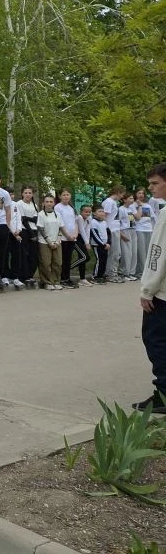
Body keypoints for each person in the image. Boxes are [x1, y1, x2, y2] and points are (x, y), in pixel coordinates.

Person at [134, 163, 166, 414]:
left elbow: (158, 254)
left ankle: (164, 395)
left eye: (155, 183)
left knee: (156, 340)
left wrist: (147, 290)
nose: (151, 188)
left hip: (162, 294)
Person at [36, 195, 64, 291]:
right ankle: (47, 282)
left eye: (51, 202)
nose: (49, 204)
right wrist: (49, 242)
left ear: (54, 203)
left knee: (58, 262)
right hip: (44, 242)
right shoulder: (41, 214)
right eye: (47, 202)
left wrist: (57, 241)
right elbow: (41, 229)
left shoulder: (58, 214)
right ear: (43, 203)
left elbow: (60, 228)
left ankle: (56, 281)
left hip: (57, 242)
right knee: (45, 263)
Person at [54, 189, 80, 289]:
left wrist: (75, 234)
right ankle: (63, 279)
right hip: (63, 238)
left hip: (72, 238)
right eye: (63, 195)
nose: (66, 196)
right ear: (60, 196)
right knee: (63, 259)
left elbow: (75, 222)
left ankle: (67, 278)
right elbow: (60, 223)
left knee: (68, 259)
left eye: (67, 194)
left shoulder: (72, 208)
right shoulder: (58, 207)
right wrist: (67, 235)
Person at [14, 187, 39, 286]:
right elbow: (23, 219)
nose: (28, 194)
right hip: (25, 230)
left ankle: (30, 275)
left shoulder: (34, 205)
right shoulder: (19, 204)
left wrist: (28, 219)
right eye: (26, 193)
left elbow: (36, 219)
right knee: (24, 253)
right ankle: (23, 276)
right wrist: (31, 233)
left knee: (33, 254)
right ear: (22, 194)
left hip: (34, 230)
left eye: (30, 193)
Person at [102, 186, 125, 282]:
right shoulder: (109, 202)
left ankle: (112, 272)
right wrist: (106, 230)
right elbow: (104, 216)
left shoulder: (114, 202)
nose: (122, 196)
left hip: (115, 229)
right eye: (122, 194)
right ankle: (110, 274)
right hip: (111, 229)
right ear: (118, 192)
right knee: (114, 253)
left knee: (117, 253)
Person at [135, 188, 155, 279]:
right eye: (139, 193)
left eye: (142, 193)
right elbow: (136, 218)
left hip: (149, 229)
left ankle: (147, 271)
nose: (141, 195)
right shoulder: (133, 205)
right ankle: (141, 271)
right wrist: (139, 206)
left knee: (148, 251)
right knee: (141, 251)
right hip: (139, 229)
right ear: (135, 194)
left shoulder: (148, 205)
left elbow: (153, 218)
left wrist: (154, 229)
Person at [119, 191, 139, 282]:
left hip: (133, 230)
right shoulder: (121, 209)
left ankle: (131, 272)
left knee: (134, 252)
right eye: (130, 198)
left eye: (133, 198)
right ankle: (124, 272)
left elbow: (137, 218)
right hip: (125, 230)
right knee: (127, 253)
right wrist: (121, 234)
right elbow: (117, 222)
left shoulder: (131, 208)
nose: (132, 200)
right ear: (124, 200)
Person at [90, 206, 110, 283]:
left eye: (102, 211)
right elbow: (95, 235)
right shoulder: (93, 222)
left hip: (106, 245)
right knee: (99, 260)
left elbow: (108, 233)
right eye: (99, 211)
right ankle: (96, 276)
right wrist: (103, 244)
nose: (102, 213)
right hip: (97, 245)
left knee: (104, 260)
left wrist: (108, 243)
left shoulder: (104, 222)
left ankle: (101, 275)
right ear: (94, 213)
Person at [75, 204, 94, 286]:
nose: (88, 213)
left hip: (83, 238)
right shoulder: (79, 217)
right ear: (81, 212)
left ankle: (82, 279)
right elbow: (82, 230)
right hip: (76, 237)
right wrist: (87, 243)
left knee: (82, 258)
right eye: (86, 212)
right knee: (85, 257)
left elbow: (87, 230)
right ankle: (68, 267)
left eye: (89, 212)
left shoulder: (89, 218)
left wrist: (87, 242)